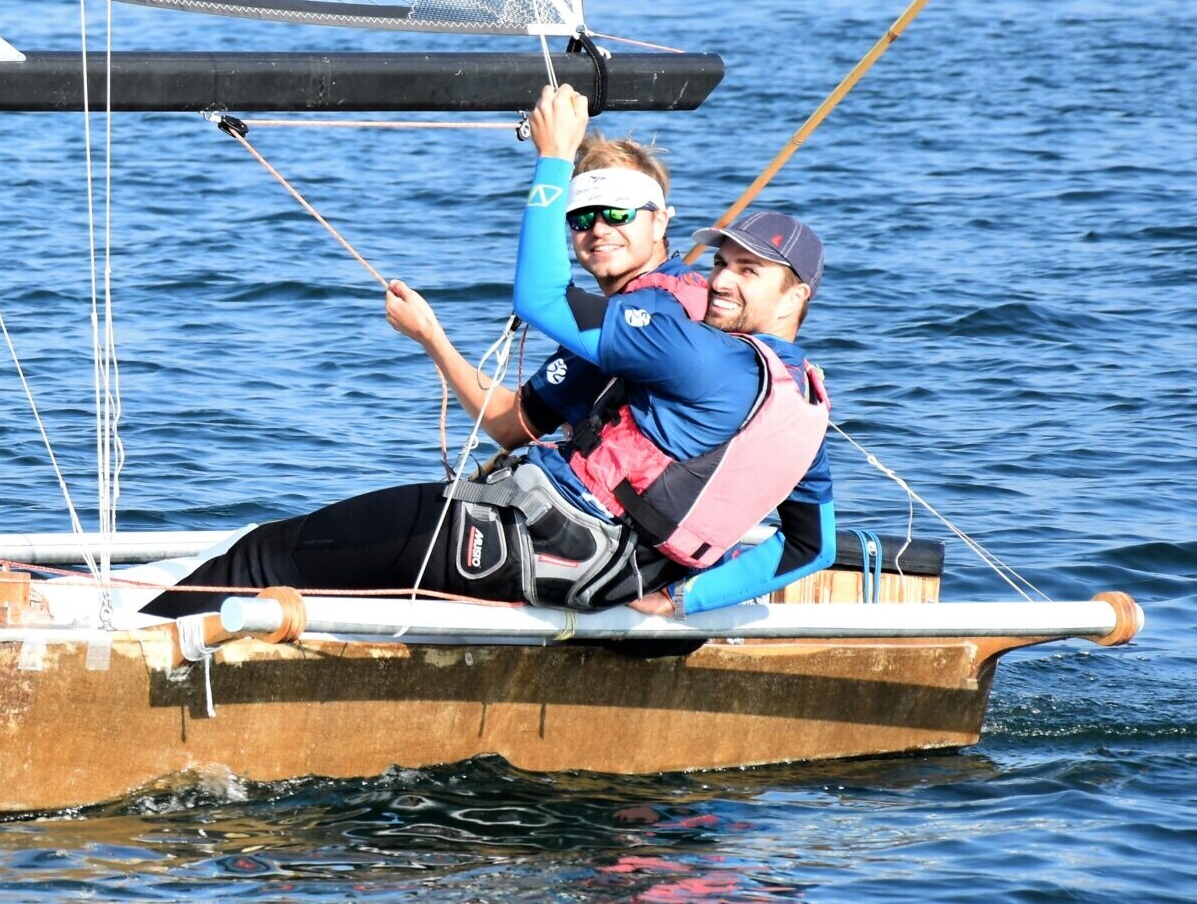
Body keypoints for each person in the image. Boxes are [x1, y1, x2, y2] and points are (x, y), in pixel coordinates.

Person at [141, 85, 837, 620]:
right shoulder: (800, 403)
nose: (720, 278)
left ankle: (117, 663)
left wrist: (555, 157)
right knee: (339, 564)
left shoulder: (687, 343)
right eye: (722, 261)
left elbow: (540, 299)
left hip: (520, 543)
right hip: (596, 571)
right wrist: (685, 602)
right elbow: (812, 546)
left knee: (264, 554)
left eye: (748, 272)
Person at [386, 132, 707, 452]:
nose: (598, 229)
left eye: (618, 213)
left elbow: (508, 426)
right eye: (581, 217)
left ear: (660, 222)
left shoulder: (622, 323)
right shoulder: (694, 289)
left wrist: (429, 335)